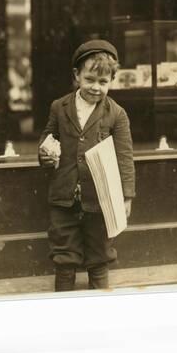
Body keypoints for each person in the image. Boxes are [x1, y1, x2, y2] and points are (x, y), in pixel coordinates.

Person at [39, 40, 136, 292]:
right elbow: (49, 138)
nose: (96, 87)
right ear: (76, 76)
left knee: (99, 255)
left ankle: (100, 305)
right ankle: (63, 305)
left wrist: (126, 197)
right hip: (64, 196)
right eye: (90, 79)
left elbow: (125, 157)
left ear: (112, 80)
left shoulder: (117, 114)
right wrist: (45, 155)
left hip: (100, 198)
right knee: (64, 256)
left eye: (103, 82)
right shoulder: (59, 107)